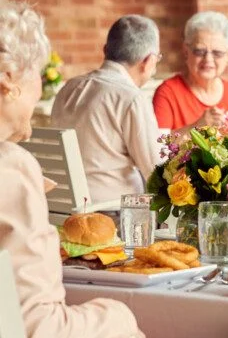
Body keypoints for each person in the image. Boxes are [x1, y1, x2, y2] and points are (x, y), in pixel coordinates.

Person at [0, 0, 207, 338]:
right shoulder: (11, 170)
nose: (40, 88)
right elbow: (35, 334)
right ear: (8, 81)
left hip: (69, 227)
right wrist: (121, 322)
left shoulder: (73, 89)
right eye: (37, 75)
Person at [51, 15, 161, 205]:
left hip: (64, 209)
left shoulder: (68, 88)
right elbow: (156, 171)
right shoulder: (131, 97)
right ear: (148, 61)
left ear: (106, 50)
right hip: (114, 213)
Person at [152, 11, 228, 135]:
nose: (208, 59)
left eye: (217, 53)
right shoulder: (167, 92)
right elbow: (156, 146)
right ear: (186, 51)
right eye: (199, 51)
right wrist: (197, 127)